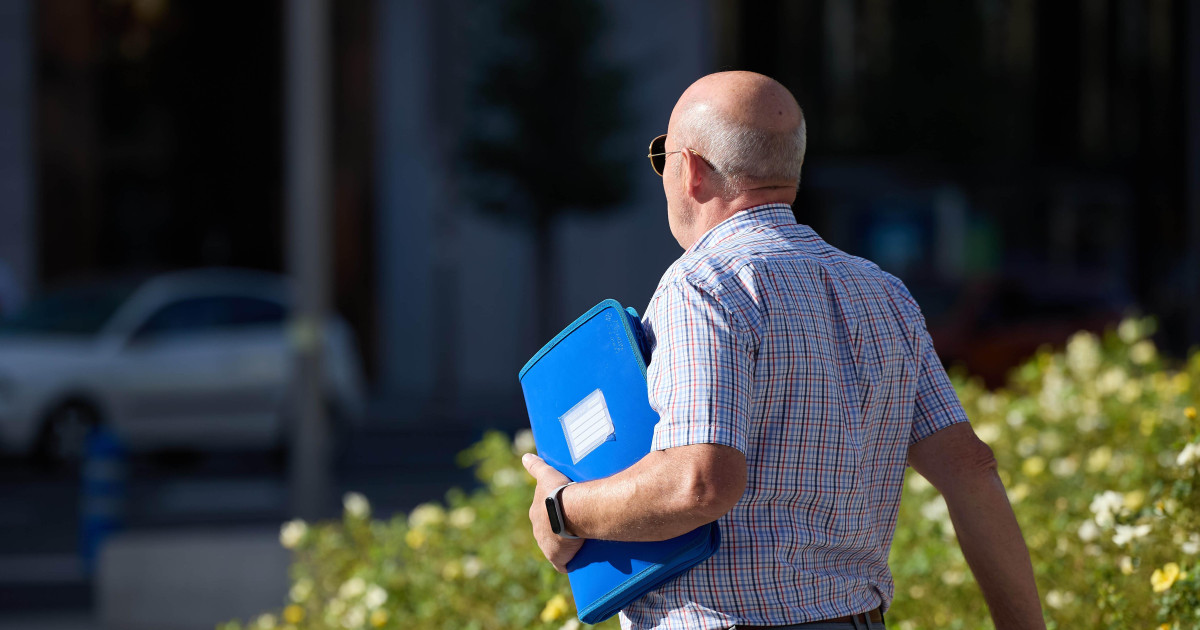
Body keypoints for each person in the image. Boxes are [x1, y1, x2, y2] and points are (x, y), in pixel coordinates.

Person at [521, 71, 1045, 630]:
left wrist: (563, 509)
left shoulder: (702, 286)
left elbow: (700, 483)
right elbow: (971, 470)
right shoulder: (883, 292)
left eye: (662, 158)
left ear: (691, 169)